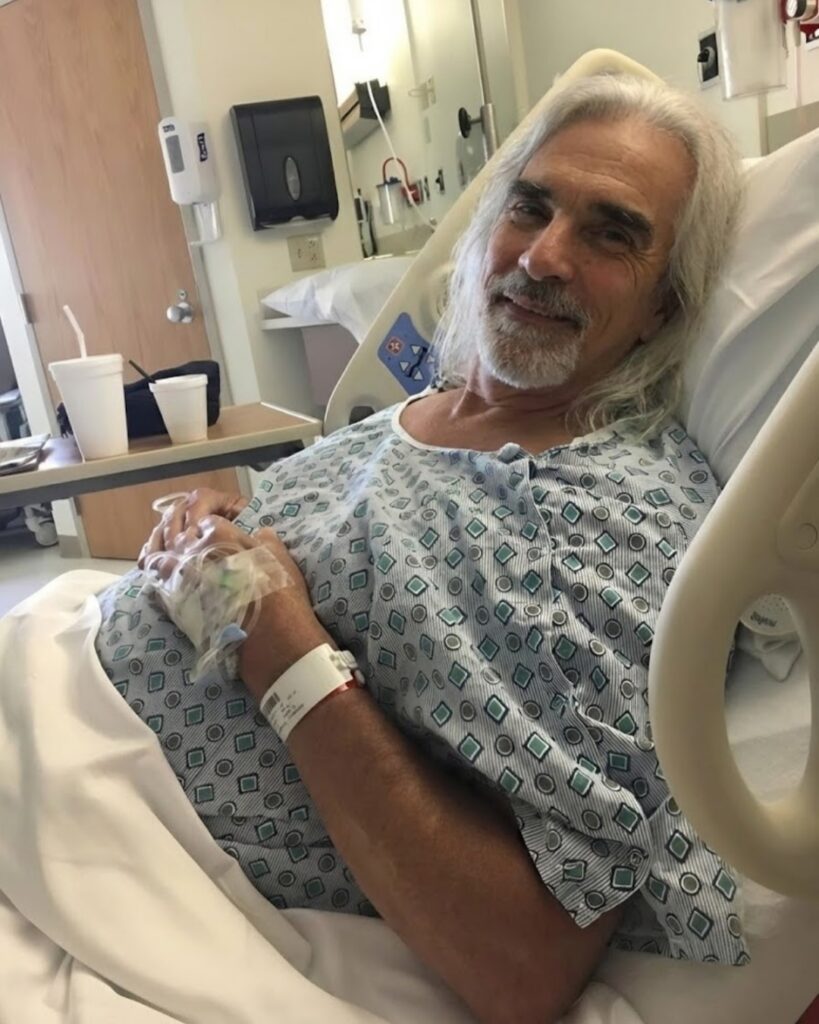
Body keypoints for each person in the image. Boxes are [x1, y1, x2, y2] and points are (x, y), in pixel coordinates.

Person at [95, 73, 745, 1024]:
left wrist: (269, 632)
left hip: (111, 830)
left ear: (663, 305)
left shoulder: (608, 517)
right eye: (530, 207)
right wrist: (207, 543)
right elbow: (281, 574)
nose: (544, 257)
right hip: (63, 700)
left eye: (612, 235)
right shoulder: (414, 415)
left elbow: (524, 964)